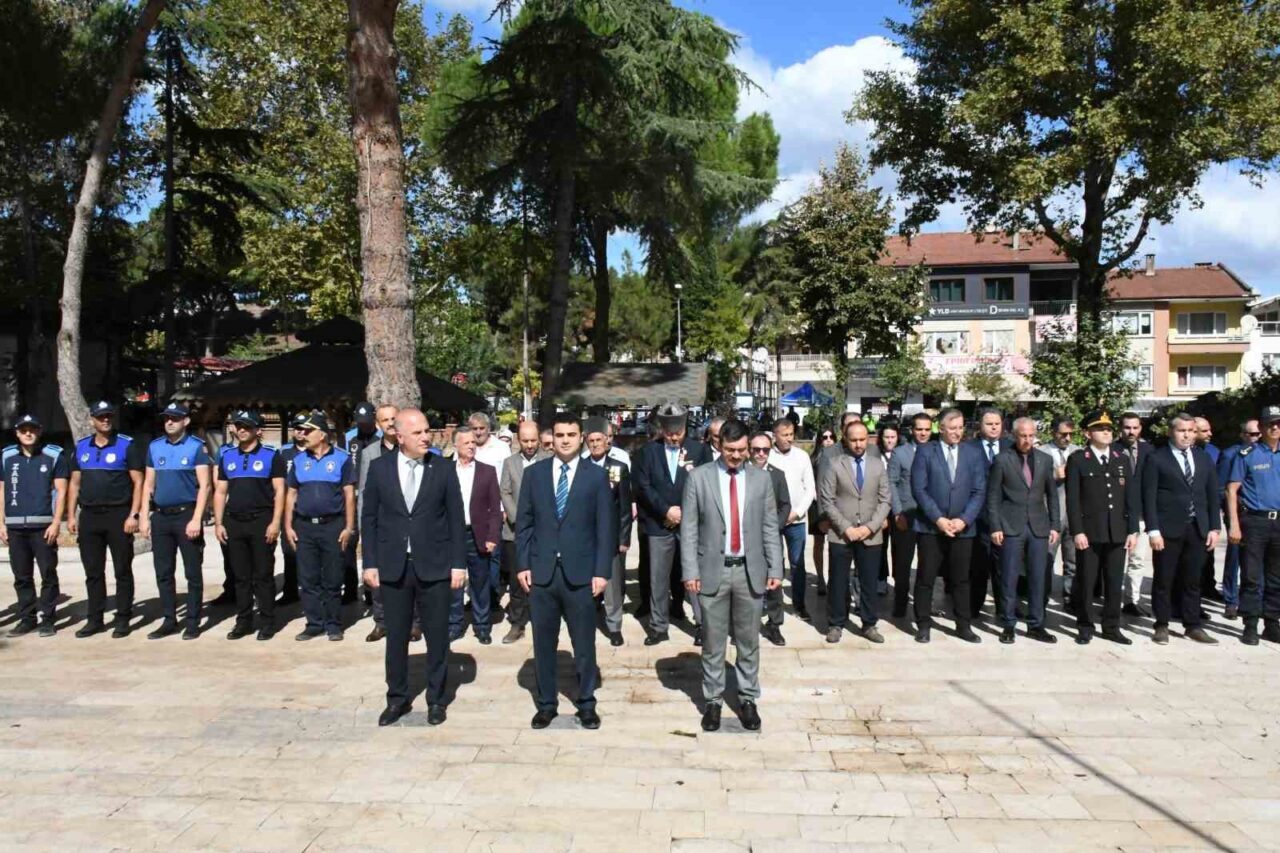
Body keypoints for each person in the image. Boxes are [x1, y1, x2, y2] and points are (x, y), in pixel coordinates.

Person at [362, 409, 467, 727]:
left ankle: (436, 699)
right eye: (418, 432)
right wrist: (370, 562)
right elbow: (370, 518)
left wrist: (458, 565)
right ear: (399, 435)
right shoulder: (380, 469)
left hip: (434, 566)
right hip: (394, 566)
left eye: (427, 431)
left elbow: (455, 519)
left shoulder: (443, 469)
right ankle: (396, 699)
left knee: (437, 635)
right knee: (396, 637)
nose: (426, 437)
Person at [680, 419, 782, 732]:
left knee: (748, 640)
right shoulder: (699, 478)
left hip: (750, 571)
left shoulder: (760, 480)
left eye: (741, 450)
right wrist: (690, 570)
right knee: (713, 641)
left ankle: (748, 698)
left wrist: (775, 566)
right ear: (719, 445)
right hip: (713, 570)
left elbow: (768, 525)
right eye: (729, 450)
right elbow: (690, 529)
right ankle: (712, 700)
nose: (736, 456)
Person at [515, 412, 616, 730]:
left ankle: (586, 703)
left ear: (581, 436)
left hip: (581, 574)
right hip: (542, 573)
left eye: (571, 434)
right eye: (560, 435)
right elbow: (525, 524)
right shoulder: (535, 474)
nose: (565, 440)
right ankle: (546, 704)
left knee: (583, 644)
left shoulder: (596, 476)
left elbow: (605, 529)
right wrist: (522, 564)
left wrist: (602, 571)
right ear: (552, 438)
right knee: (543, 644)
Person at [634, 402, 712, 646]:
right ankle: (658, 626)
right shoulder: (647, 452)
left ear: (685, 428)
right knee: (658, 578)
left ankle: (702, 625)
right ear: (662, 429)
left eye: (678, 432)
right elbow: (643, 487)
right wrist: (666, 510)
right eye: (669, 432)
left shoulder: (699, 451)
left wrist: (685, 513)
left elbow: (707, 485)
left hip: (691, 525)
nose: (674, 437)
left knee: (694, 575)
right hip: (659, 524)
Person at [1141, 412, 1221, 645]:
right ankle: (1162, 624)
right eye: (1181, 430)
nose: (1186, 435)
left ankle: (1192, 624)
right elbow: (1149, 496)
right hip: (1168, 529)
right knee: (1164, 578)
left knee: (1193, 579)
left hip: (1198, 528)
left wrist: (1214, 527)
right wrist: (1153, 530)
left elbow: (1211, 495)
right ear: (1171, 432)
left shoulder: (1203, 458)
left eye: (1190, 431)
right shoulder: (1157, 458)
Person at [67, 400, 144, 638]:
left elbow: (138, 482)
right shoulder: (81, 447)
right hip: (89, 516)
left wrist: (134, 514)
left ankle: (123, 618)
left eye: (109, 416)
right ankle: (95, 619)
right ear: (92, 420)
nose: (105, 420)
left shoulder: (126, 445)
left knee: (122, 569)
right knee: (93, 571)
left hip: (118, 515)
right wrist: (70, 515)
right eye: (101, 417)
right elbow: (74, 483)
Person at [909, 408, 986, 643]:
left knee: (961, 579)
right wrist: (939, 519)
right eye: (952, 428)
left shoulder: (973, 452)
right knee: (926, 578)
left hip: (963, 528)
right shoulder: (925, 452)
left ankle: (963, 625)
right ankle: (923, 624)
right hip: (932, 527)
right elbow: (919, 489)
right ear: (940, 428)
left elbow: (979, 490)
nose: (957, 432)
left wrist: (964, 519)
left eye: (961, 427)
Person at [139, 403, 212, 640]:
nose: (170, 422)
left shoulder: (196, 448)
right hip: (161, 516)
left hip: (186, 515)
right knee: (163, 572)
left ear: (186, 422)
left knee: (192, 572)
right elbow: (148, 484)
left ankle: (192, 621)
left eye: (175, 418)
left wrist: (196, 519)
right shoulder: (155, 446)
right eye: (167, 418)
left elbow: (205, 486)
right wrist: (143, 515)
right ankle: (169, 619)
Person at [1066, 411, 1138, 645]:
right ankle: (1085, 625)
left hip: (1117, 530)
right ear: (1088, 433)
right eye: (1099, 428)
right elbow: (1073, 500)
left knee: (1115, 582)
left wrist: (1133, 529)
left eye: (1108, 428)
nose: (1106, 432)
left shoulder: (1121, 457)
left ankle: (1111, 626)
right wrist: (1077, 530)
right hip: (1090, 531)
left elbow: (1131, 497)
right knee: (1087, 581)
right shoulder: (1078, 459)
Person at [986, 417, 1060, 644]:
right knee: (1009, 577)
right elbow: (993, 496)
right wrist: (995, 526)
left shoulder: (1045, 460)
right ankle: (1008, 624)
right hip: (1010, 527)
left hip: (1038, 526)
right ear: (1014, 435)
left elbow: (1052, 495)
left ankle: (1036, 625)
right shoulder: (1002, 460)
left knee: (1038, 578)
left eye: (1031, 435)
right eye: (1023, 436)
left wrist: (1055, 524)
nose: (1027, 440)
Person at [213, 410, 285, 641]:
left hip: (261, 520)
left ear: (258, 430)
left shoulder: (271, 456)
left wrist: (275, 522)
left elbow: (279, 491)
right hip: (234, 521)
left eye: (247, 426)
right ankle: (243, 621)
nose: (242, 430)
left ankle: (267, 622)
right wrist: (219, 522)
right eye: (238, 426)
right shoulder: (227, 456)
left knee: (263, 575)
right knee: (240, 576)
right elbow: (221, 491)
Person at [284, 411, 356, 641]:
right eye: (301, 430)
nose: (303, 435)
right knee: (308, 578)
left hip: (332, 526)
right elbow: (291, 494)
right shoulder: (298, 460)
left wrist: (349, 527)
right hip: (304, 527)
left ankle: (333, 624)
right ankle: (314, 623)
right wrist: (288, 525)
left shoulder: (342, 459)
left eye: (308, 430)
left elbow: (349, 495)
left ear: (322, 434)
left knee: (333, 578)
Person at [819, 421, 892, 644]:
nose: (858, 444)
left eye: (862, 439)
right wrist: (846, 527)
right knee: (838, 580)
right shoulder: (833, 464)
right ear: (845, 439)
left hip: (871, 533)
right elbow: (827, 500)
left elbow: (885, 499)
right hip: (842, 534)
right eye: (854, 440)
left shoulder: (877, 465)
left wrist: (870, 527)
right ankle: (836, 623)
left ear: (868, 439)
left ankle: (869, 623)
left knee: (869, 581)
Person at [1, 414, 68, 636]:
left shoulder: (53, 455)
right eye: (23, 430)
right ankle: (26, 618)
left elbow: (61, 491)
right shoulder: (7, 457)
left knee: (48, 573)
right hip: (15, 527)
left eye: (32, 429)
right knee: (22, 577)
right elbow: (2, 492)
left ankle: (48, 619)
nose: (28, 434)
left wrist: (57, 522)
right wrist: (1, 523)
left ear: (39, 431)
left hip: (43, 527)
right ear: (17, 433)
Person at [1225, 405, 1280, 646]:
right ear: (1262, 427)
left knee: (1276, 577)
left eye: (1278, 423)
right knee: (1252, 575)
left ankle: (1271, 622)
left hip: (1278, 521)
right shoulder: (1247, 454)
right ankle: (1250, 623)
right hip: (1255, 521)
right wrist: (1234, 525)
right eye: (1270, 424)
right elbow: (1232, 490)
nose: (1275, 427)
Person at [356, 405, 411, 642]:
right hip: (381, 524)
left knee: (410, 573)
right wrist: (362, 529)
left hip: (408, 521)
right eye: (384, 420)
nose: (389, 423)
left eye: (393, 418)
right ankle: (381, 622)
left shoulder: (410, 448)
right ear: (377, 424)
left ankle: (413, 622)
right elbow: (365, 492)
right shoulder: (369, 452)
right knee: (378, 575)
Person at [448, 426, 502, 643]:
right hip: (452, 536)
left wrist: (492, 537)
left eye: (473, 442)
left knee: (480, 583)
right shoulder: (445, 469)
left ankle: (482, 626)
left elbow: (495, 509)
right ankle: (454, 624)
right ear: (456, 445)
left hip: (477, 535)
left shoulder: (487, 471)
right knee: (454, 583)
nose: (471, 446)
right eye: (466, 442)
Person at [584, 417, 632, 647]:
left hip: (610, 536)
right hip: (584, 536)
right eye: (591, 441)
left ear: (606, 442)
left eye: (598, 440)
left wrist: (624, 539)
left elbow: (624, 507)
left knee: (612, 585)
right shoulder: (579, 466)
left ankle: (614, 626)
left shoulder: (618, 468)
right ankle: (587, 620)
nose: (594, 444)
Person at [498, 422, 548, 644]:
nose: (529, 445)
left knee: (543, 577)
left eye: (533, 440)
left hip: (543, 530)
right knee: (517, 580)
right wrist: (517, 517)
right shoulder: (510, 463)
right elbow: (505, 491)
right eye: (525, 440)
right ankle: (517, 623)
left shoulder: (549, 460)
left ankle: (543, 620)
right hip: (515, 531)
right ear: (518, 439)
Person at [768, 418, 816, 621]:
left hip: (796, 520)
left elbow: (810, 489)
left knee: (797, 564)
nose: (789, 439)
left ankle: (799, 604)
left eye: (791, 434)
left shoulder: (802, 456)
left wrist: (796, 512)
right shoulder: (767, 455)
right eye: (784, 435)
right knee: (774, 562)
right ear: (775, 435)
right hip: (772, 520)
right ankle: (772, 606)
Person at [749, 430, 790, 647]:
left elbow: (786, 505)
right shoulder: (741, 472)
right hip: (747, 539)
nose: (761, 454)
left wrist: (775, 526)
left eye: (765, 450)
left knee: (774, 583)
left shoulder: (777, 474)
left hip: (771, 538)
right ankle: (745, 627)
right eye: (756, 450)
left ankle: (774, 624)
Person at [968, 408, 1010, 622]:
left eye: (997, 423)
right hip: (977, 517)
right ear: (980, 426)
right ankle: (974, 607)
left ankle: (1004, 609)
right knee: (978, 566)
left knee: (1004, 567)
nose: (994, 427)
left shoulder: (1011, 447)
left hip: (1005, 517)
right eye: (989, 423)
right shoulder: (969, 448)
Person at [887, 413, 929, 618]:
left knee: (926, 564)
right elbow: (891, 483)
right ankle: (900, 601)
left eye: (927, 429)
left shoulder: (936, 451)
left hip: (930, 517)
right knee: (903, 563)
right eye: (919, 429)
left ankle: (922, 606)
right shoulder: (900, 453)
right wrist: (897, 511)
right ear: (912, 430)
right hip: (905, 515)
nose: (923, 433)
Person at [1219, 418, 1261, 620]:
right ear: (1243, 435)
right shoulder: (1231, 455)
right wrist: (1231, 517)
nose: (1256, 437)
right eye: (1252, 434)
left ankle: (1253, 601)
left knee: (1256, 561)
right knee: (1235, 557)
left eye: (1258, 434)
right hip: (1238, 513)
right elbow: (1223, 488)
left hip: (1259, 516)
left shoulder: (1266, 454)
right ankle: (1231, 601)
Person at [1038, 418, 1079, 609]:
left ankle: (1070, 597)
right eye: (1063, 434)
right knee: (1046, 560)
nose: (1067, 438)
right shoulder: (1040, 453)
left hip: (1074, 516)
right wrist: (1054, 475)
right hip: (1049, 515)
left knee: (1073, 560)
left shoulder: (1078, 452)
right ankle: (1041, 596)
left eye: (1071, 434)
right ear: (1054, 432)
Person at [1116, 412, 1154, 616]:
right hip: (1115, 514)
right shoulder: (1112, 450)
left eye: (1135, 428)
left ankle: (1133, 600)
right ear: (1120, 428)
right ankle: (1109, 598)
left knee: (1137, 559)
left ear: (1140, 429)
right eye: (1127, 427)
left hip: (1140, 514)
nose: (1131, 432)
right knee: (1114, 560)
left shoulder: (1149, 450)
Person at [277, 413, 308, 605]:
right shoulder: (284, 452)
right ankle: (290, 591)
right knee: (289, 552)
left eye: (304, 428)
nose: (300, 431)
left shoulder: (315, 451)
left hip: (309, 509)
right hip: (289, 510)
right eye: (296, 427)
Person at [1193, 416, 1222, 603]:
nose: (1210, 434)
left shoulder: (1213, 452)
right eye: (1205, 431)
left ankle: (1208, 587)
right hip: (1187, 512)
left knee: (1208, 553)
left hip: (1207, 509)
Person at [808, 427, 836, 598]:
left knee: (835, 544)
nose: (828, 439)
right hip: (816, 504)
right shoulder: (813, 459)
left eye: (831, 436)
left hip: (835, 505)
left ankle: (834, 578)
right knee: (819, 543)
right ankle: (820, 578)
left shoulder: (840, 457)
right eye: (824, 436)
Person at [874, 424, 900, 596]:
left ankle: (900, 580)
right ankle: (881, 579)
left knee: (899, 547)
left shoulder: (902, 455)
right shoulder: (875, 456)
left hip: (898, 509)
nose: (890, 440)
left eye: (893, 437)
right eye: (886, 437)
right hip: (880, 507)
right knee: (881, 546)